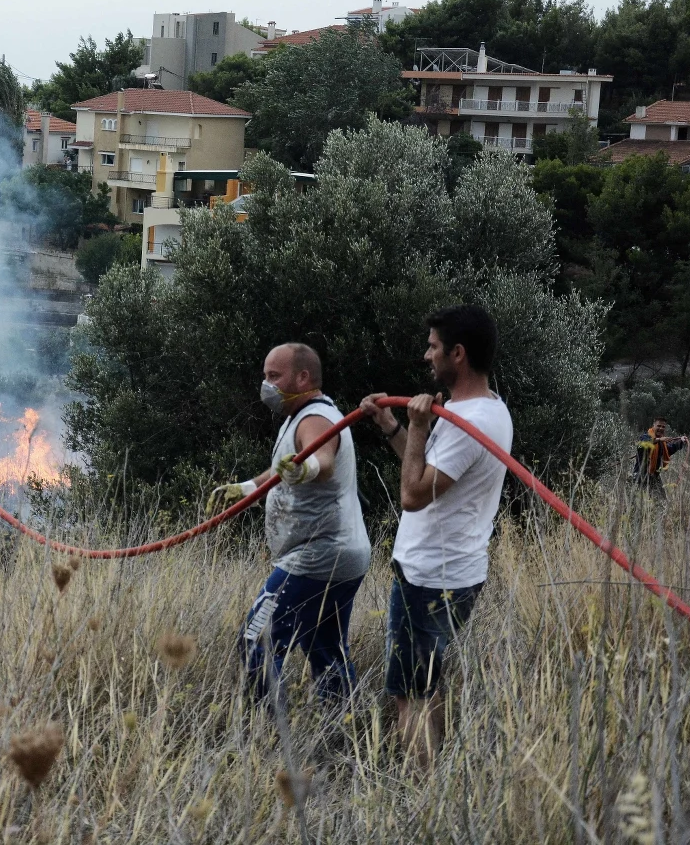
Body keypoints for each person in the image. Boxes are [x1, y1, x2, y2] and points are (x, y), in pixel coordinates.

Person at [360, 304, 513, 769]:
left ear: (457, 353)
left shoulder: (475, 422)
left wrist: (421, 425)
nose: (427, 356)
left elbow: (412, 495)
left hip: (431, 577)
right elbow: (427, 471)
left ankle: (419, 793)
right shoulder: (482, 409)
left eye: (433, 347)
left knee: (409, 694)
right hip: (449, 571)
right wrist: (392, 426)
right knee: (426, 684)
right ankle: (436, 778)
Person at [207, 343, 371, 704]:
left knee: (256, 639)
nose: (266, 384)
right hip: (344, 554)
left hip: (316, 556)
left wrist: (305, 469)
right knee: (325, 646)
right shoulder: (304, 415)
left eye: (274, 376)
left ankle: (269, 726)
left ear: (302, 377)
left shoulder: (315, 418)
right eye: (265, 375)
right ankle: (342, 725)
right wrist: (246, 488)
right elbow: (286, 466)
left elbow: (321, 460)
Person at [631, 418, 689, 498]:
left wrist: (681, 441)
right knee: (639, 501)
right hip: (640, 476)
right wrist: (659, 439)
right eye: (658, 426)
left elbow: (669, 449)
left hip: (654, 476)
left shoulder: (662, 443)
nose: (661, 428)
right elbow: (644, 443)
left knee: (661, 500)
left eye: (663, 427)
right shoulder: (644, 437)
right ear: (653, 425)